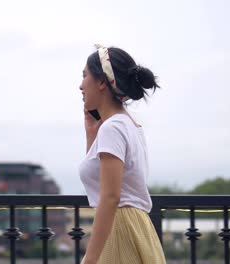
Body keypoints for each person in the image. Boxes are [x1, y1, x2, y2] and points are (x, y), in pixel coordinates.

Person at [78, 44, 167, 264]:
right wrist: (91, 135)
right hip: (136, 228)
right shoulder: (128, 125)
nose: (80, 86)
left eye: (84, 76)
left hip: (118, 231)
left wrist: (89, 259)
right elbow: (106, 183)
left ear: (101, 82)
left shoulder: (113, 128)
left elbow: (110, 197)